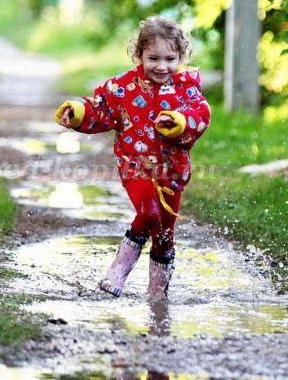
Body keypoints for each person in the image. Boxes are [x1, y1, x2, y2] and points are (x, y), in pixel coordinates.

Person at [54, 16, 211, 299]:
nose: (161, 66)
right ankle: (118, 270)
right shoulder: (123, 88)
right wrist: (77, 113)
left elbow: (200, 115)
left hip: (172, 173)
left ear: (181, 56)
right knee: (148, 212)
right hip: (135, 167)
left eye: (170, 58)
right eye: (153, 58)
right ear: (139, 55)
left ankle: (157, 293)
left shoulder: (187, 89)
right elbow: (100, 109)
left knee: (164, 235)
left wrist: (180, 122)